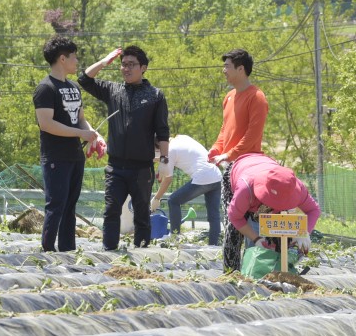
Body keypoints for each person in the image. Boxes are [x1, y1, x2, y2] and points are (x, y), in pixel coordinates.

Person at [79, 45, 169, 250]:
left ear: (143, 68)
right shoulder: (113, 90)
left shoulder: (155, 95)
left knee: (142, 213)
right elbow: (84, 79)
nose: (126, 69)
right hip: (116, 166)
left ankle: (142, 254)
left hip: (142, 167)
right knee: (111, 211)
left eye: (132, 65)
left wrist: (164, 161)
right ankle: (109, 251)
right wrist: (104, 61)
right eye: (123, 65)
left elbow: (162, 131)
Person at [33, 35, 103, 253]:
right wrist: (79, 133)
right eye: (74, 57)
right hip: (55, 156)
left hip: (75, 156)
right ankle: (47, 251)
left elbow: (81, 118)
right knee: (56, 205)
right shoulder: (45, 88)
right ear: (62, 59)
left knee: (70, 206)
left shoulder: (73, 87)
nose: (77, 61)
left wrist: (91, 133)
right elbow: (46, 124)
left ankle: (67, 251)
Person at [206, 48, 269, 270]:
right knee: (232, 220)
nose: (224, 71)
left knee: (244, 221)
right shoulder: (229, 97)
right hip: (229, 168)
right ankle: (231, 272)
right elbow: (225, 131)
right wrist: (216, 149)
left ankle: (252, 268)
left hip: (249, 168)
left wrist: (229, 154)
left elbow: (252, 136)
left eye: (227, 66)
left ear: (241, 69)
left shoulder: (257, 97)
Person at [227, 152, 319, 261]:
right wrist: (256, 238)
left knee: (278, 240)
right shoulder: (245, 189)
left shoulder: (294, 185)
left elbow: (313, 210)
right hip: (239, 169)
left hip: (266, 165)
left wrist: (304, 232)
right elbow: (235, 217)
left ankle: (279, 268)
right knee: (234, 235)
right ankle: (234, 272)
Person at [150, 135, 222, 245]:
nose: (159, 152)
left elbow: (168, 179)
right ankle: (213, 245)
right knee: (214, 215)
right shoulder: (181, 138)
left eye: (157, 150)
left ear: (159, 145)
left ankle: (175, 237)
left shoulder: (170, 150)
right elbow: (165, 157)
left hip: (202, 177)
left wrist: (156, 198)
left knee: (173, 201)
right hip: (216, 176)